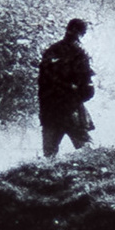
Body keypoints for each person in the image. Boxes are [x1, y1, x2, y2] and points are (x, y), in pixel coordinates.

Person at [36, 17, 98, 157]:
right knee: (86, 149)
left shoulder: (51, 51)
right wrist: (76, 97)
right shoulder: (80, 53)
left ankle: (50, 176)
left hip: (50, 108)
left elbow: (41, 84)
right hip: (70, 108)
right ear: (80, 33)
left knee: (49, 153)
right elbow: (88, 89)